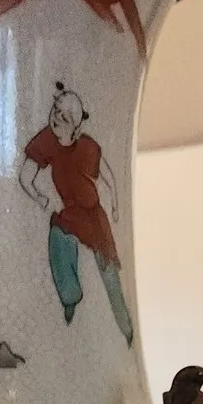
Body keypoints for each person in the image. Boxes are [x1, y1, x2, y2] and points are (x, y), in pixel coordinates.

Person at [19, 84, 134, 343]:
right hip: (69, 213)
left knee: (109, 271)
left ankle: (125, 329)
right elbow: (25, 177)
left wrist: (116, 204)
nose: (56, 118)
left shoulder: (86, 147)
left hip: (92, 216)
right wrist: (40, 198)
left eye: (64, 117)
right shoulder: (47, 141)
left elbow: (107, 176)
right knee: (58, 240)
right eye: (55, 110)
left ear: (75, 125)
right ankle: (70, 298)